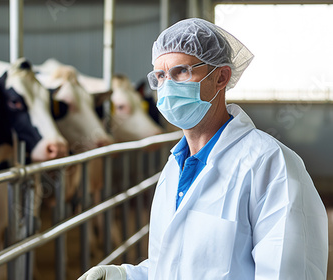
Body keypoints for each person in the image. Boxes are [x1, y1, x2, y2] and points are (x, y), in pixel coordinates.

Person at [78, 18, 328, 280]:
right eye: (161, 76)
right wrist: (124, 275)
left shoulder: (271, 165)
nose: (168, 86)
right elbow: (174, 265)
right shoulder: (175, 167)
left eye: (181, 72)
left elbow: (287, 272)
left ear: (221, 77)